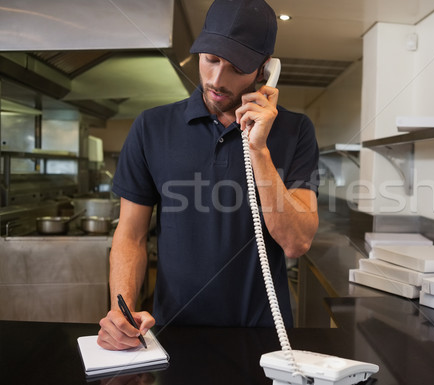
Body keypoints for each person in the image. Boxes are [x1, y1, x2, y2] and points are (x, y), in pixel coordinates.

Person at [97, 0, 320, 350]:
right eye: (211, 59)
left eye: (235, 67)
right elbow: (131, 235)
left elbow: (297, 243)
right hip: (173, 335)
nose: (216, 79)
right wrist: (120, 310)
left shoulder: (295, 130)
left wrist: (259, 150)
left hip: (264, 339)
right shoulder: (151, 127)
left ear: (265, 69)